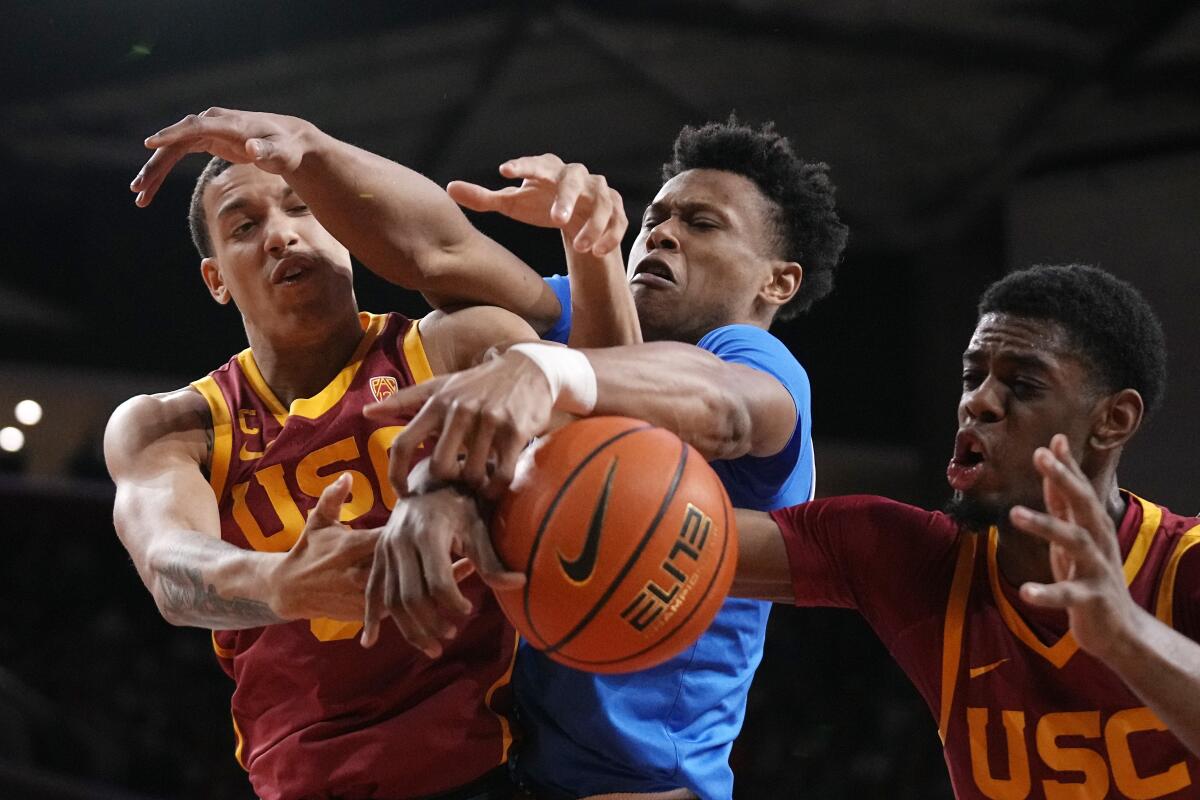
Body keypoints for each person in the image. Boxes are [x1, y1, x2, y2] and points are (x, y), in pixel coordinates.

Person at [109, 109, 632, 800]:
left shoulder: (453, 346)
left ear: (344, 226)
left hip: (483, 766)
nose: (282, 234)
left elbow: (616, 430)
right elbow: (170, 569)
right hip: (300, 781)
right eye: (245, 226)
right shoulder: (173, 424)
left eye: (302, 207)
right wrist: (277, 583)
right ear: (216, 279)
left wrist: (594, 249)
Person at [367, 117, 849, 800]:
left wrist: (545, 370)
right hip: (514, 765)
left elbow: (727, 408)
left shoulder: (755, 360)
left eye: (703, 224)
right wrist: (303, 149)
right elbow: (436, 255)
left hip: (641, 785)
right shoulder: (574, 311)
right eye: (657, 215)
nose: (663, 232)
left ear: (778, 283)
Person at [731, 264, 1200, 798]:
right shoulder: (917, 560)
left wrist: (1123, 634)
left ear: (1113, 420)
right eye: (973, 377)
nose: (977, 402)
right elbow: (667, 541)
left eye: (1023, 385)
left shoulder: (1185, 565)